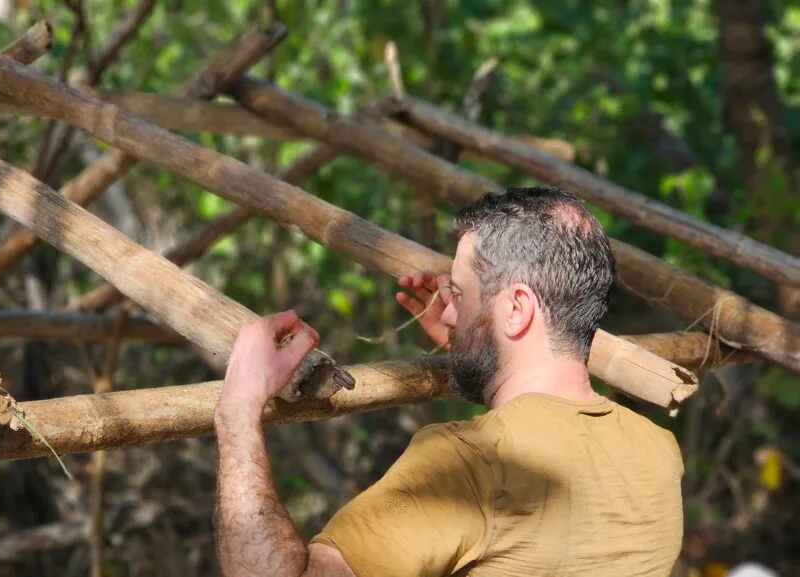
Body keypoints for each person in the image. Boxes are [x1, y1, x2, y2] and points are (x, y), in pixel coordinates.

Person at [212, 186, 685, 576]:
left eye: (458, 293)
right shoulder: (658, 453)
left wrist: (238, 407)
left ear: (517, 309)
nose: (450, 310)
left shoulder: (467, 462)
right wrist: (475, 344)